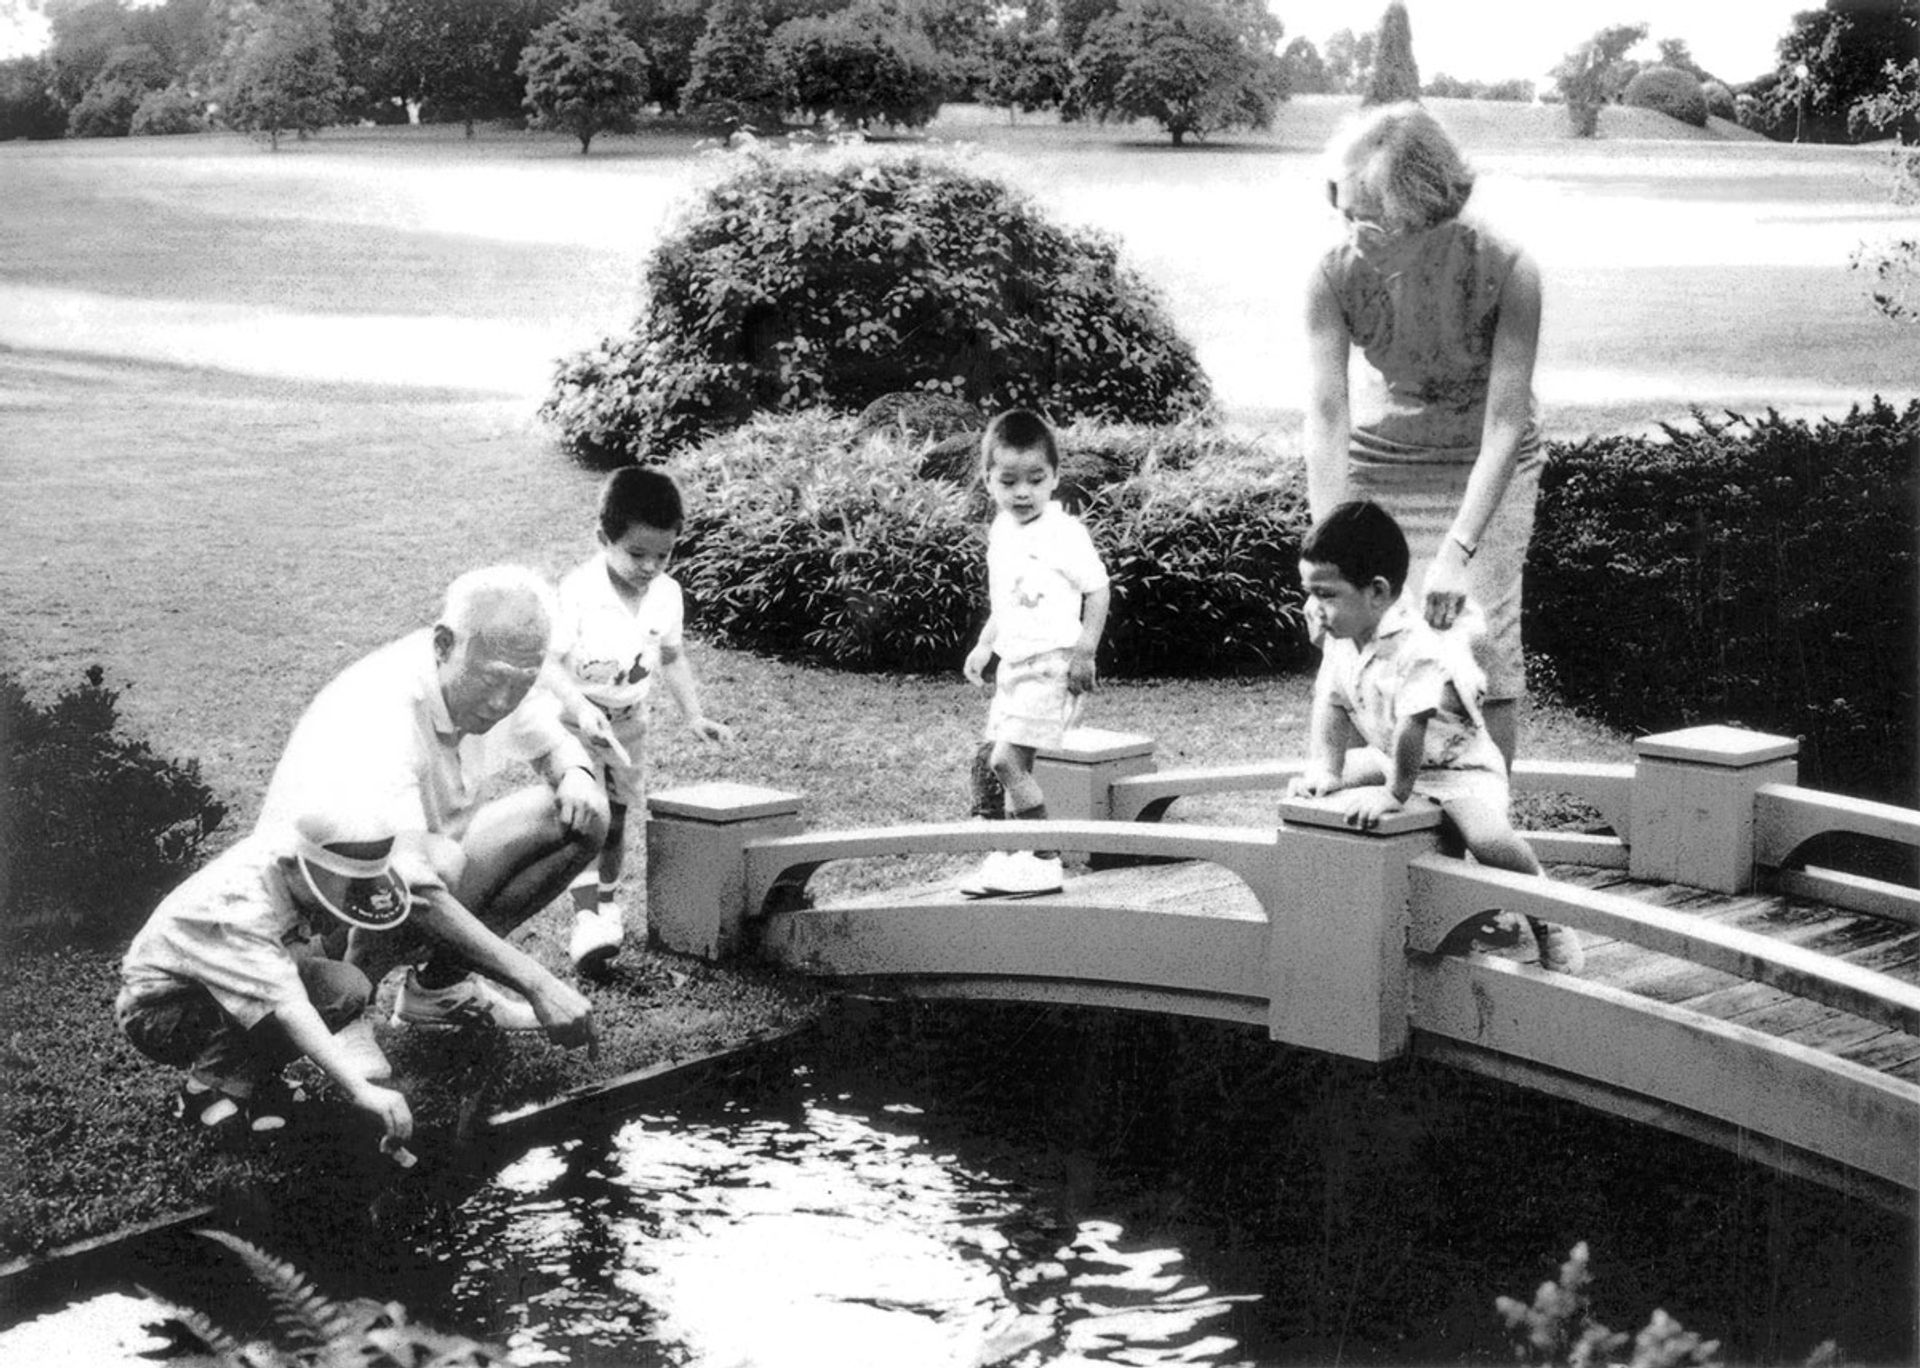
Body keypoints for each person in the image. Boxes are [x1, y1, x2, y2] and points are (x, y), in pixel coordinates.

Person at [255, 565, 607, 1046]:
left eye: (522, 681)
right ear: (443, 645)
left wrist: (577, 774)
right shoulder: (385, 708)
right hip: (307, 917)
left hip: (400, 881)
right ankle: (350, 1010)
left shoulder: (496, 670)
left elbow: (551, 743)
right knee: (427, 866)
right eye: (493, 680)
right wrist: (538, 983)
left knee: (581, 817)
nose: (503, 700)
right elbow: (407, 885)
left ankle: (439, 990)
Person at [1303, 101, 1544, 768]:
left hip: (1488, 463)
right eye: (1341, 209)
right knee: (1354, 630)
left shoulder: (1509, 270)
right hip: (1385, 462)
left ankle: (1482, 825)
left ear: (1423, 217)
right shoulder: (1332, 272)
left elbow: (1506, 421)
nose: (1351, 233)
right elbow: (1326, 418)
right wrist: (1329, 563)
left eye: (1368, 221)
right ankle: (1351, 825)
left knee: (1483, 636)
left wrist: (1458, 553)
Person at [1286, 501, 1582, 973]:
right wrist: (1327, 768)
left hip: (1456, 769)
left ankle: (1548, 913)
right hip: (1393, 758)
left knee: (1487, 839)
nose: (1312, 609)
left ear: (1377, 593)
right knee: (1316, 786)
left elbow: (1413, 724)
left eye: (1325, 594)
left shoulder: (1417, 646)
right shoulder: (1343, 643)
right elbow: (1333, 704)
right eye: (1308, 592)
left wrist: (1394, 795)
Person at [116, 803, 416, 1150]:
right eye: (348, 882)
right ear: (295, 865)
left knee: (343, 988)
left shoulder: (285, 866)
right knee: (302, 1003)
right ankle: (205, 1090)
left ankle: (255, 1080)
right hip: (161, 1011)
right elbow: (288, 1007)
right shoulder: (243, 907)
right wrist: (361, 1090)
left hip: (217, 986)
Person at [553, 467, 733, 976]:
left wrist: (694, 715)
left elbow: (671, 657)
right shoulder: (578, 591)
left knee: (617, 818)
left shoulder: (667, 595)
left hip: (630, 722)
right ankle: (586, 919)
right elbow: (550, 664)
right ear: (603, 538)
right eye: (637, 554)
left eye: (664, 554)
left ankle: (607, 904)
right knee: (587, 818)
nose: (650, 566)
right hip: (577, 722)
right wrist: (581, 709)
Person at [961, 408, 1111, 897]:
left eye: (1035, 479)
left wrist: (1085, 652)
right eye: (1008, 481)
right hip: (1014, 664)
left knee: (1007, 761)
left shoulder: (1065, 533)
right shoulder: (1002, 532)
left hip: (1051, 663)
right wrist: (986, 644)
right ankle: (1015, 858)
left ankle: (1045, 859)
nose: (1022, 492)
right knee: (996, 764)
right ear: (988, 481)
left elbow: (1099, 589)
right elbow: (1006, 599)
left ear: (1055, 479)